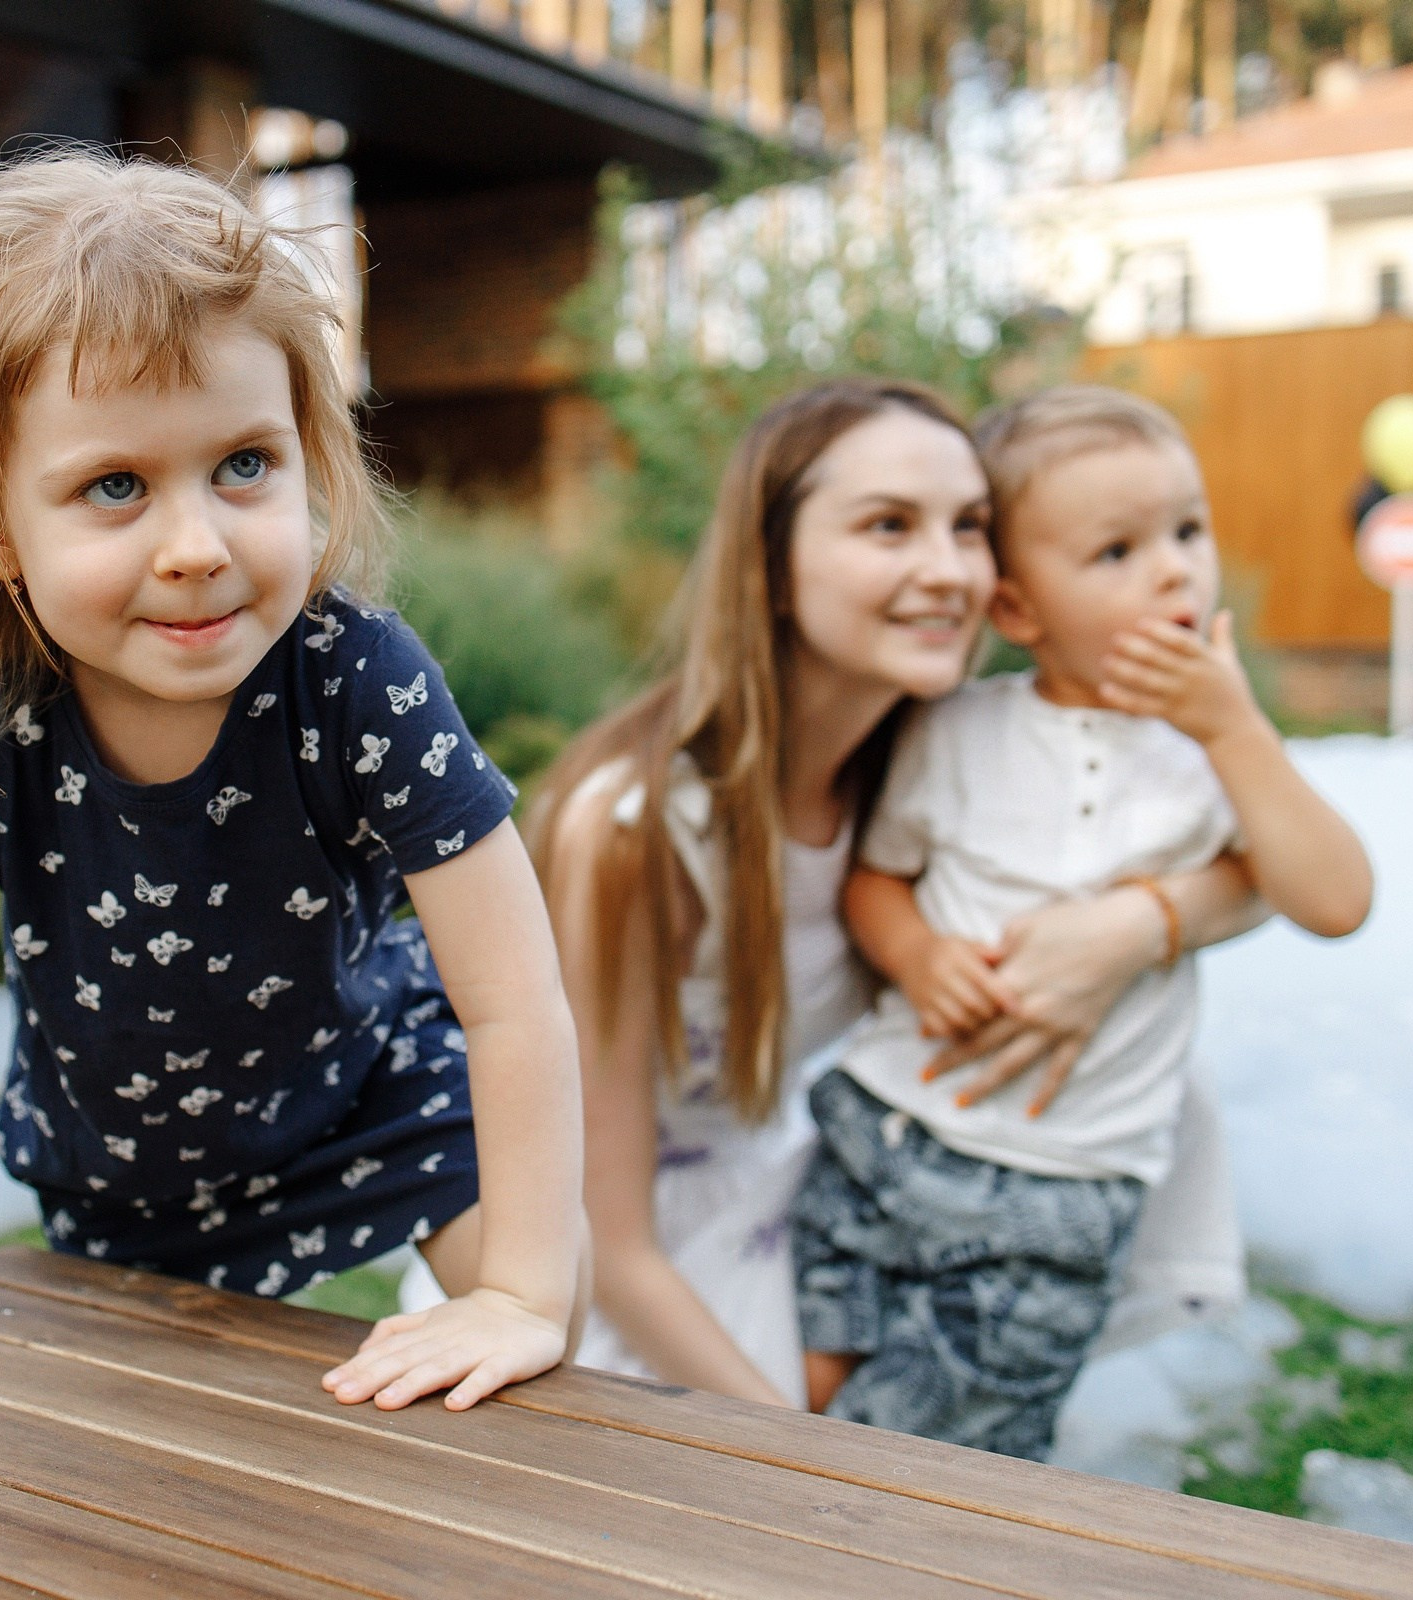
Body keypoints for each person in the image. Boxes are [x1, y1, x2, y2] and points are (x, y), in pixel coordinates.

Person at [0, 151, 585, 1415]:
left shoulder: (359, 682)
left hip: (374, 1100)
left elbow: (513, 1003)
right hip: (119, 1169)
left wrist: (521, 1293)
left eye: (245, 464)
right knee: (135, 1471)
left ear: (311, 459)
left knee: (532, 1391)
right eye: (115, 486)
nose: (196, 548)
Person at [525, 378, 1266, 1408]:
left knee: (1166, 1083)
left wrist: (1141, 927)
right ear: (772, 564)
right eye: (888, 526)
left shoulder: (934, 762)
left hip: (804, 1180)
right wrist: (804, 1454)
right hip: (609, 1262)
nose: (948, 569)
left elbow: (1275, 868)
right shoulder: (631, 829)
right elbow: (599, 1232)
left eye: (969, 527)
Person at [793, 385, 1374, 1456]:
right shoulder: (958, 730)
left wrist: (1235, 725)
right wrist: (916, 955)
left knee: (933, 1465)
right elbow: (876, 881)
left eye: (1187, 531)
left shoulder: (1213, 760)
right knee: (795, 1393)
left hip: (1058, 1191)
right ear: (1015, 609)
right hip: (880, 1132)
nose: (1174, 569)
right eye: (1118, 551)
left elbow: (1335, 898)